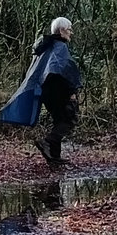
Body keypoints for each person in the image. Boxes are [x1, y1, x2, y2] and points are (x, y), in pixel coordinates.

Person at [32, 16, 82, 167]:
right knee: (69, 119)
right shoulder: (60, 47)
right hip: (58, 90)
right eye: (69, 29)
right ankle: (47, 142)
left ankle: (54, 156)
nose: (71, 33)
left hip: (46, 91)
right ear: (61, 31)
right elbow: (63, 71)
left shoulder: (47, 46)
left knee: (59, 120)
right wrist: (71, 91)